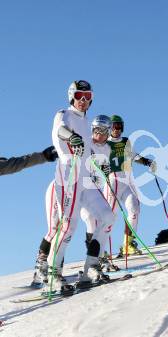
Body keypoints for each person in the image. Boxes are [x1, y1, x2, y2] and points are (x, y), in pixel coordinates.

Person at [46, 80, 116, 291]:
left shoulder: (86, 122)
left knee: (108, 217)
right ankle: (53, 273)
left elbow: (88, 150)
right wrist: (72, 137)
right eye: (79, 96)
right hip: (69, 176)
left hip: (86, 179)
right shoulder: (64, 114)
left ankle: (91, 267)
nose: (83, 100)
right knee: (69, 226)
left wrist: (100, 165)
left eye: (87, 96)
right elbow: (60, 131)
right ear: (71, 97)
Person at [32, 115, 114, 287]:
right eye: (96, 130)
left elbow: (97, 168)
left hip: (85, 190)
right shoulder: (85, 138)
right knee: (56, 228)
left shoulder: (106, 149)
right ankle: (43, 267)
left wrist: (104, 169)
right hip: (62, 187)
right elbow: (64, 143)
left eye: (103, 131)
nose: (99, 134)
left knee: (98, 219)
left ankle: (92, 264)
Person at [106, 115, 156, 256]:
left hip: (127, 182)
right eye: (115, 126)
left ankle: (127, 243)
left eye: (120, 126)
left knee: (134, 209)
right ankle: (99, 249)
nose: (117, 129)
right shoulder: (105, 143)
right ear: (109, 128)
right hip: (112, 182)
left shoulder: (125, 141)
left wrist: (146, 161)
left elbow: (133, 155)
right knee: (109, 217)